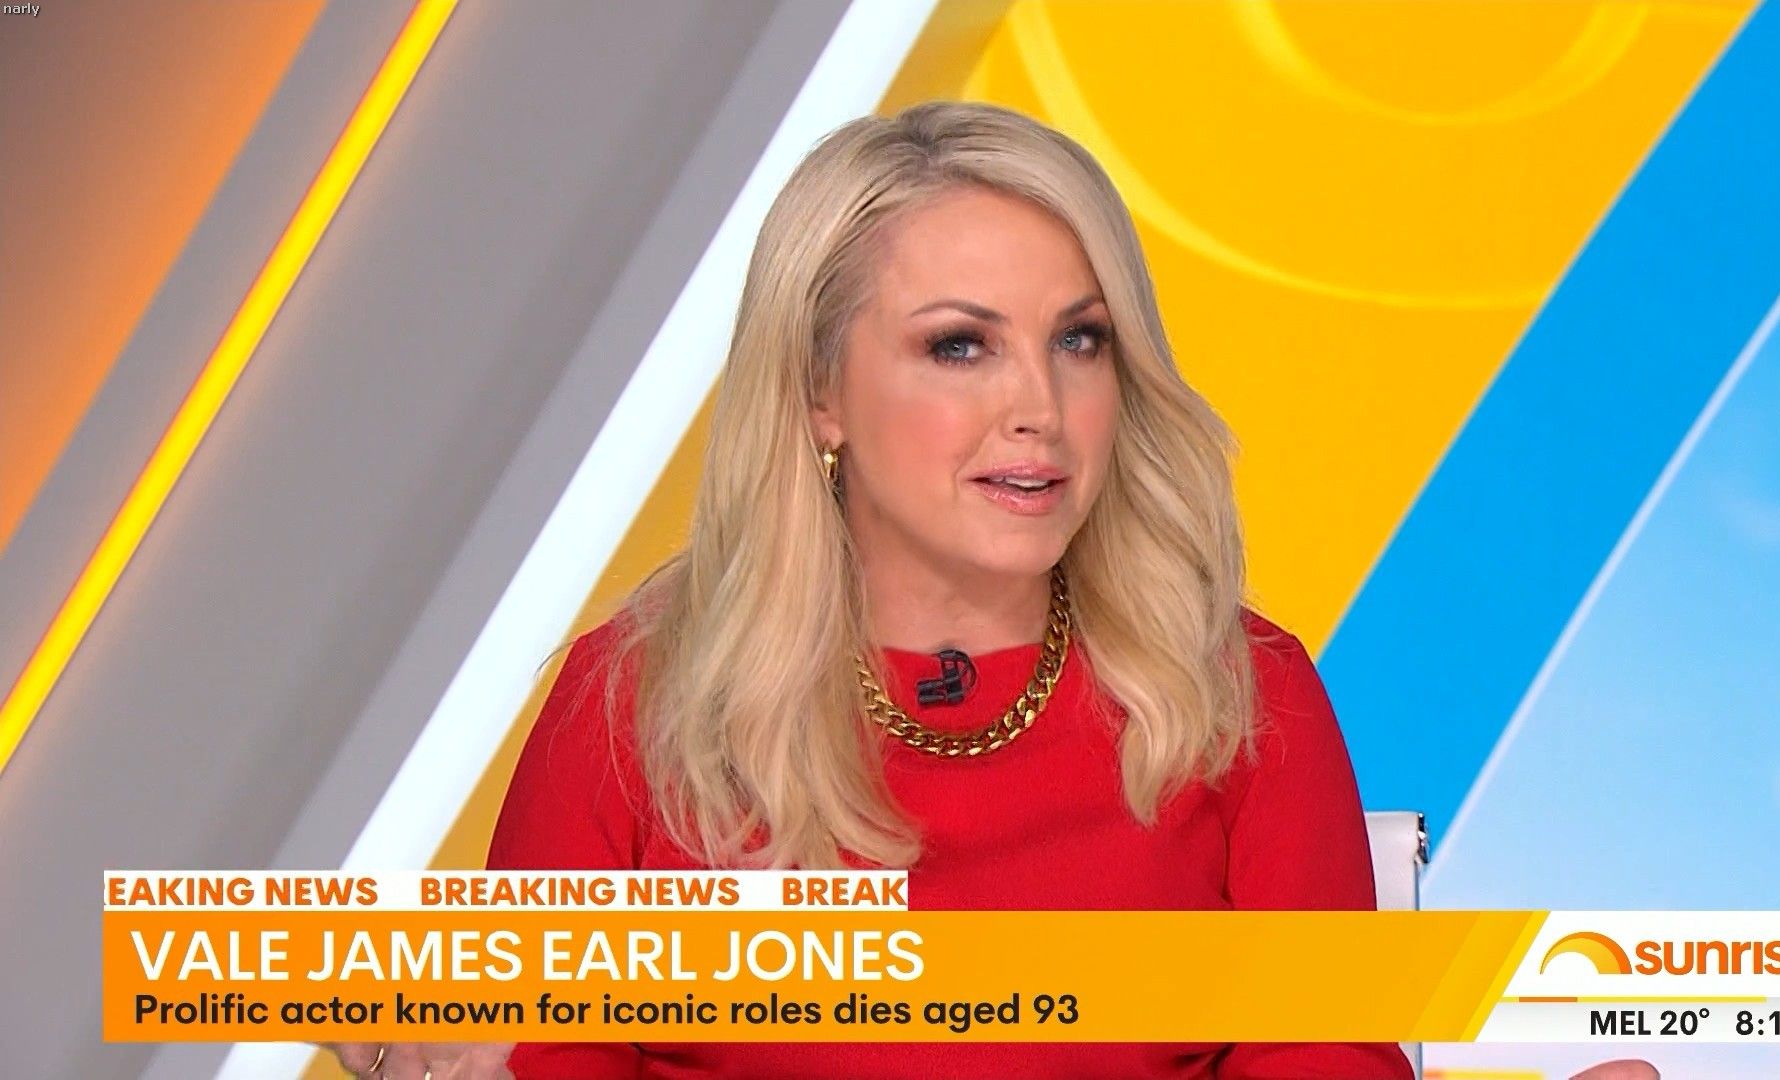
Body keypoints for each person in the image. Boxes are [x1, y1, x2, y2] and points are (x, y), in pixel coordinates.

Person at [327, 100, 1655, 1080]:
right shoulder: (632, 707)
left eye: (1079, 341)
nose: (1040, 408)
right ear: (819, 393)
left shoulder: (1246, 700)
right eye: (960, 346)